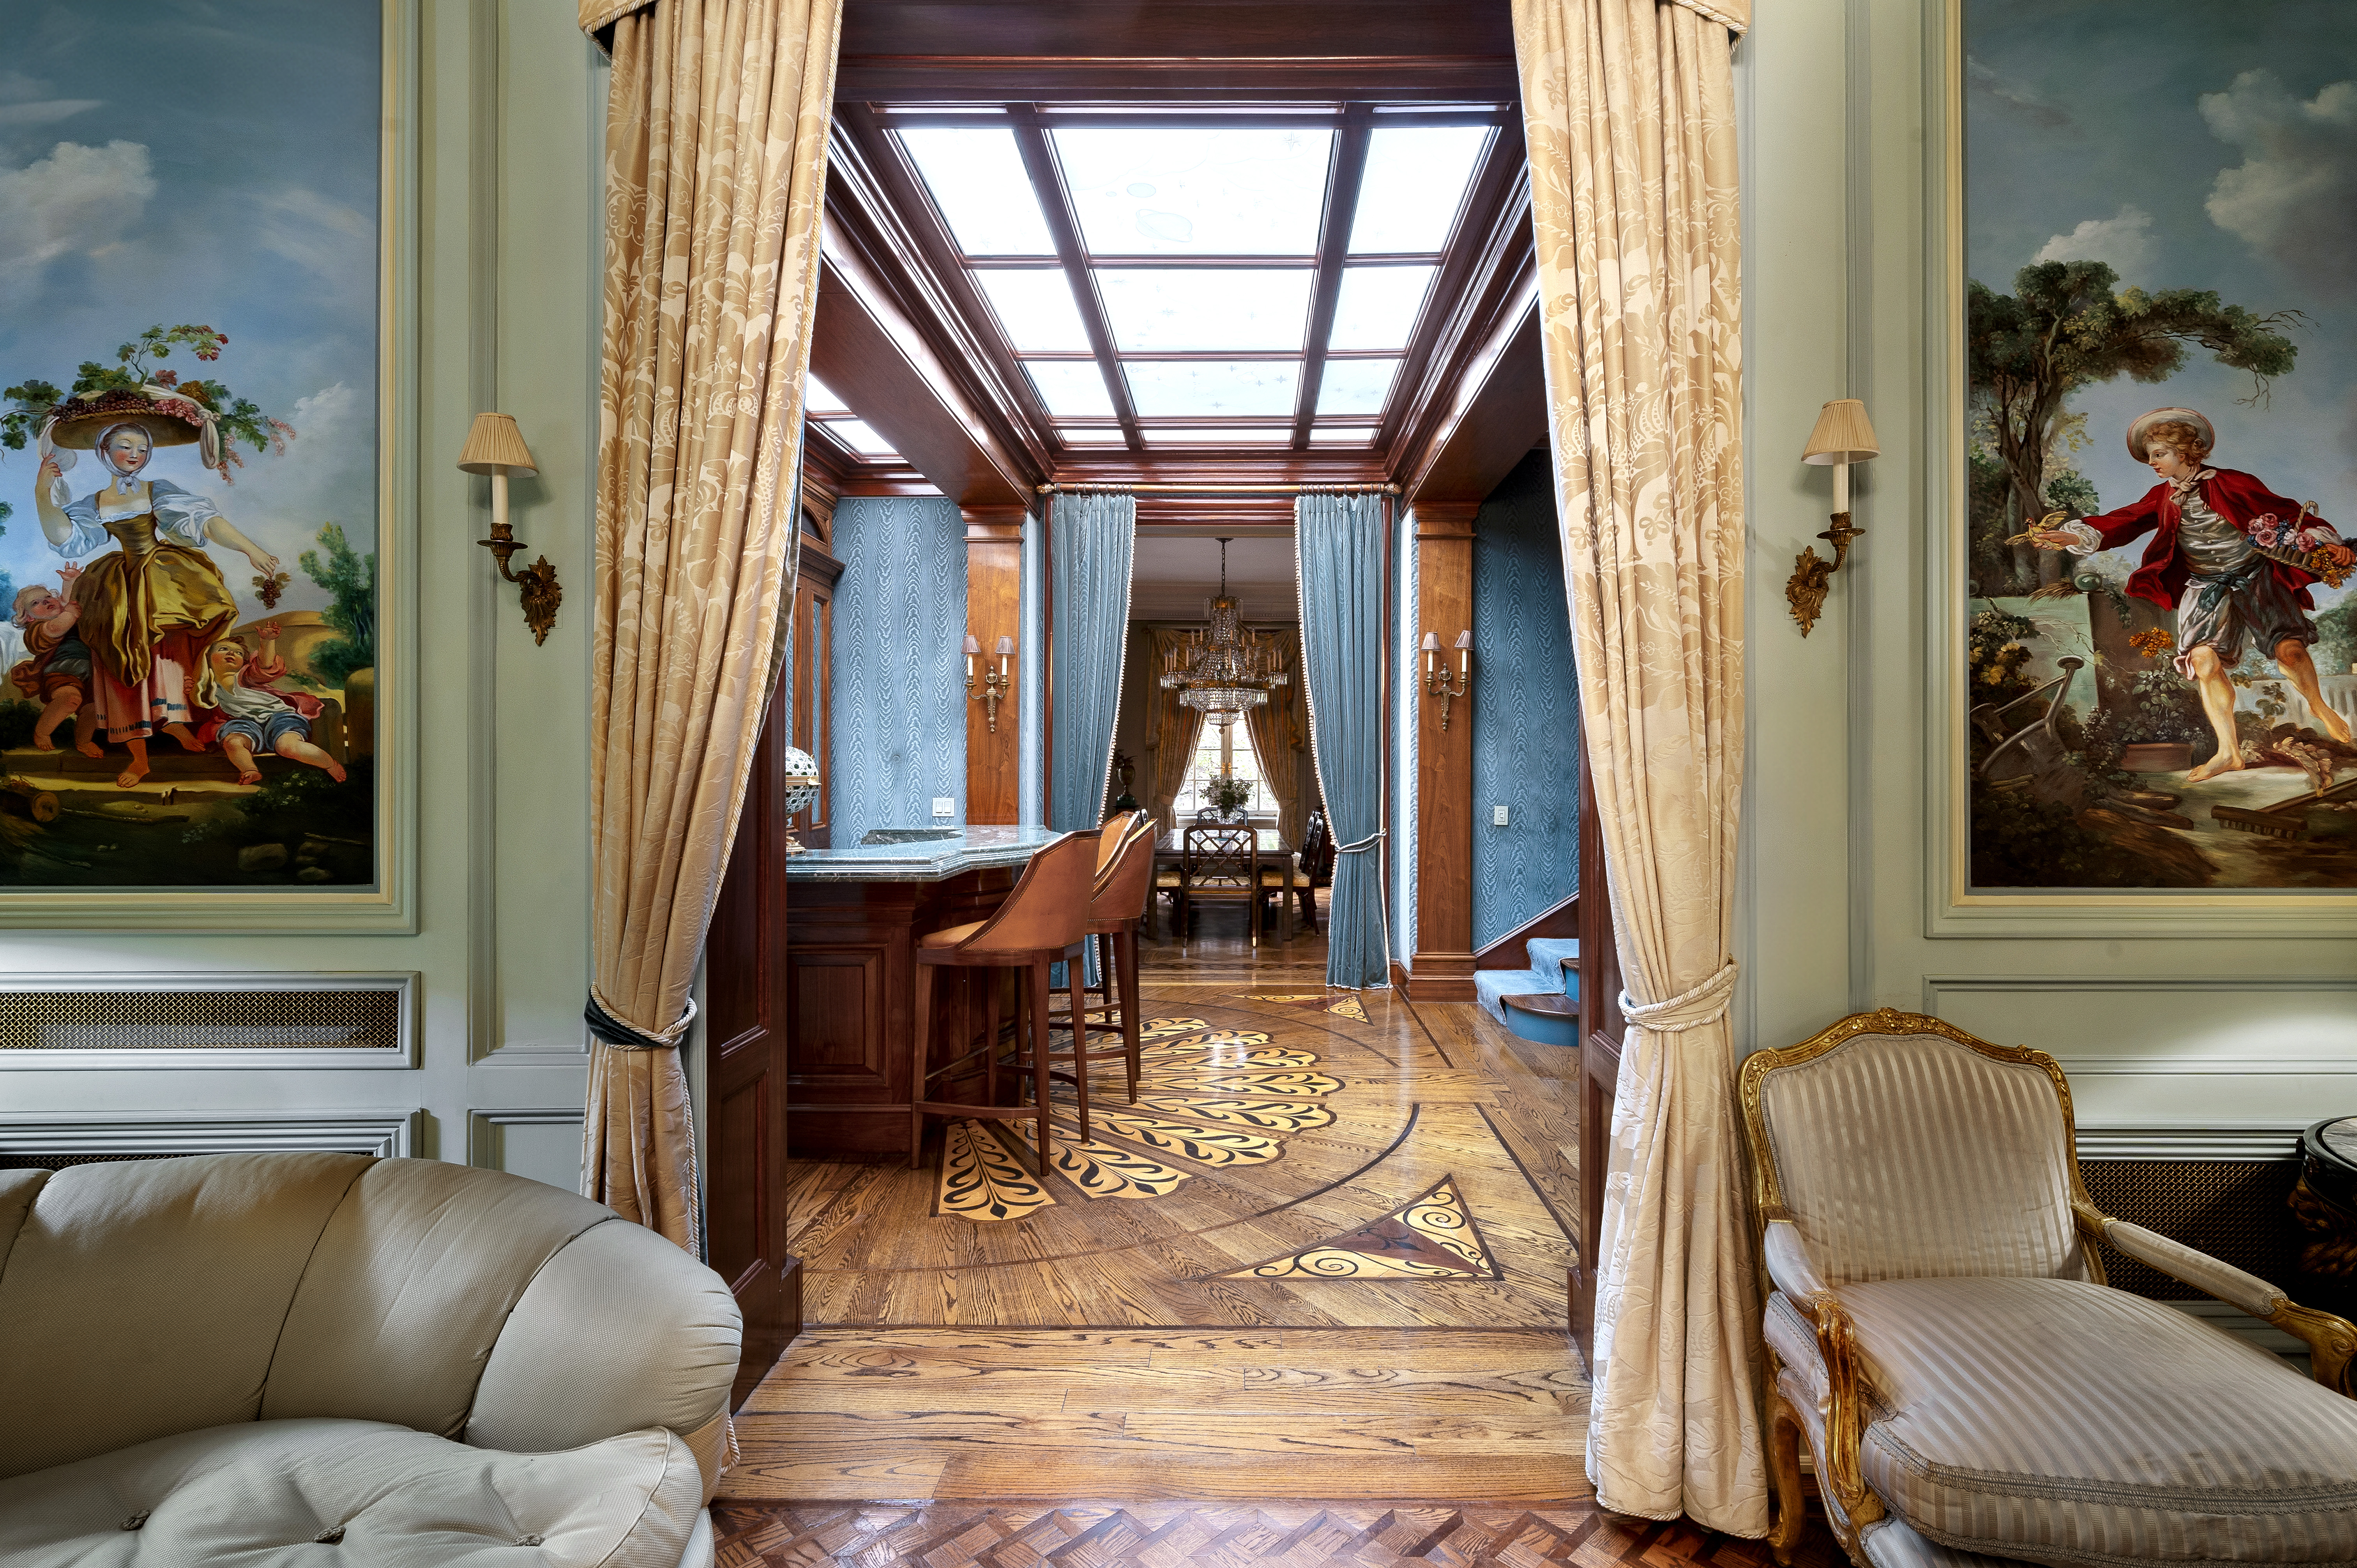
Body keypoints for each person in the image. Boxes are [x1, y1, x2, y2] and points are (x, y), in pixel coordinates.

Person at [2034, 406, 2353, 782]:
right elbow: (2124, 521)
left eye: (2159, 454)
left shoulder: (2234, 482)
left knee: (2291, 651)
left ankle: (2317, 705)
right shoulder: (2163, 496)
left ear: (2186, 452)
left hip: (2256, 578)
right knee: (2203, 662)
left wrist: (2329, 544)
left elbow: (2288, 514)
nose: (2152, 463)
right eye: (2150, 456)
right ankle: (2229, 753)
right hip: (2205, 586)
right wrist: (2074, 535)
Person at [32, 420, 280, 788]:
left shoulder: (157, 490)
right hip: (116, 589)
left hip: (162, 581)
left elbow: (206, 522)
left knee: (167, 655)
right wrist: (42, 491)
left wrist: (250, 549)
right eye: (125, 446)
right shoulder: (94, 503)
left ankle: (174, 722)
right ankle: (139, 757)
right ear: (104, 451)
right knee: (119, 659)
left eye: (143, 449)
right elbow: (64, 537)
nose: (135, 455)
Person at [195, 630, 345, 787]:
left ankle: (330, 764)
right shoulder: (204, 686)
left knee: (288, 747)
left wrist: (267, 641)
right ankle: (249, 770)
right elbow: (196, 703)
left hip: (278, 716)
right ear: (207, 658)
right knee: (233, 742)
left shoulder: (246, 676)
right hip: (240, 723)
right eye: (223, 649)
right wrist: (190, 689)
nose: (231, 653)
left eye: (238, 653)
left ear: (243, 662)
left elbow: (266, 666)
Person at [7, 564, 101, 756]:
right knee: (70, 699)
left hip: (91, 674)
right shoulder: (39, 628)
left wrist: (70, 582)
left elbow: (68, 602)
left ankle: (84, 741)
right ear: (30, 618)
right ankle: (42, 732)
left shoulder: (67, 615)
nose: (45, 602)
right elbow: (57, 628)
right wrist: (70, 613)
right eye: (36, 603)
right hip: (62, 672)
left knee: (94, 708)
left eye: (48, 597)